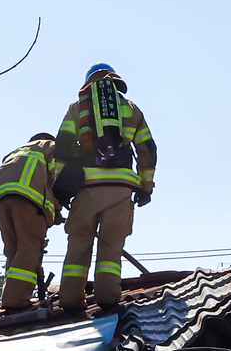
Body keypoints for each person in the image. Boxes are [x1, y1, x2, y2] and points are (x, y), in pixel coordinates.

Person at [52, 63, 156, 312]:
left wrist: (62, 185)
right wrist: (145, 186)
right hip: (121, 189)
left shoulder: (77, 109)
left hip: (86, 188)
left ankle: (69, 300)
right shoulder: (131, 109)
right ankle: (108, 299)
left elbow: (63, 146)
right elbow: (147, 149)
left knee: (79, 244)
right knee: (111, 246)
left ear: (87, 82)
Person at [0, 134, 61, 310]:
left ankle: (10, 294)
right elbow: (58, 179)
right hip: (29, 198)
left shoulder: (16, 152)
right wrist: (58, 208)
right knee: (29, 248)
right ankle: (15, 301)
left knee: (13, 250)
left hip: (1, 199)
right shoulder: (50, 146)